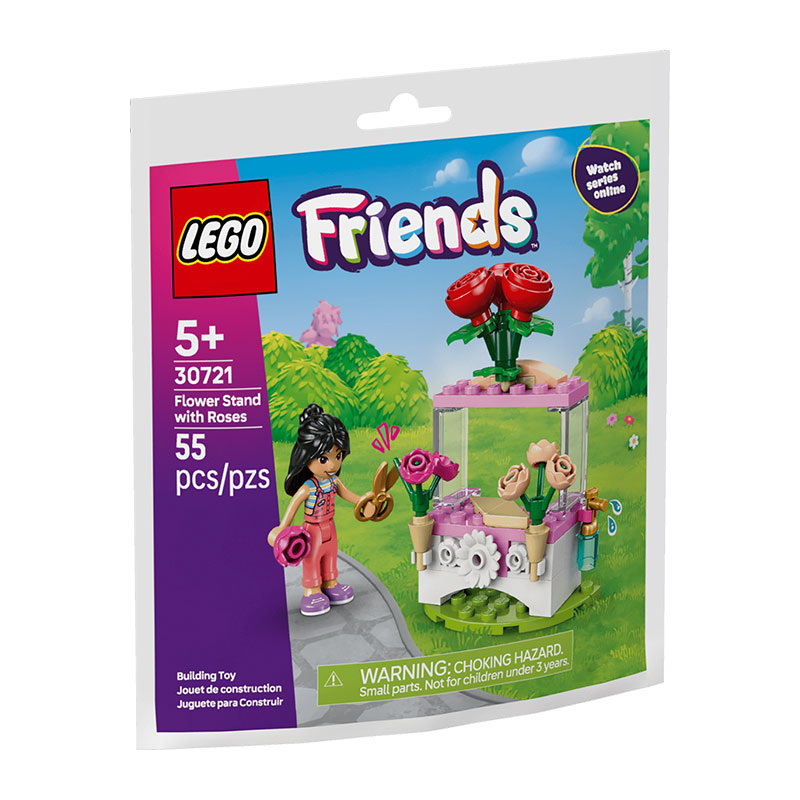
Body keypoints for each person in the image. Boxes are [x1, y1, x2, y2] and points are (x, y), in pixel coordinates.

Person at [267, 404, 365, 616]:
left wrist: (365, 503)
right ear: (306, 457)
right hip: (312, 529)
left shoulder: (334, 481)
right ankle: (311, 591)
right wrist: (282, 528)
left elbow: (350, 496)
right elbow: (293, 506)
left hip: (330, 526)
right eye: (323, 459)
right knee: (312, 559)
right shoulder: (307, 487)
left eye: (338, 456)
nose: (332, 465)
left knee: (330, 555)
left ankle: (331, 584)